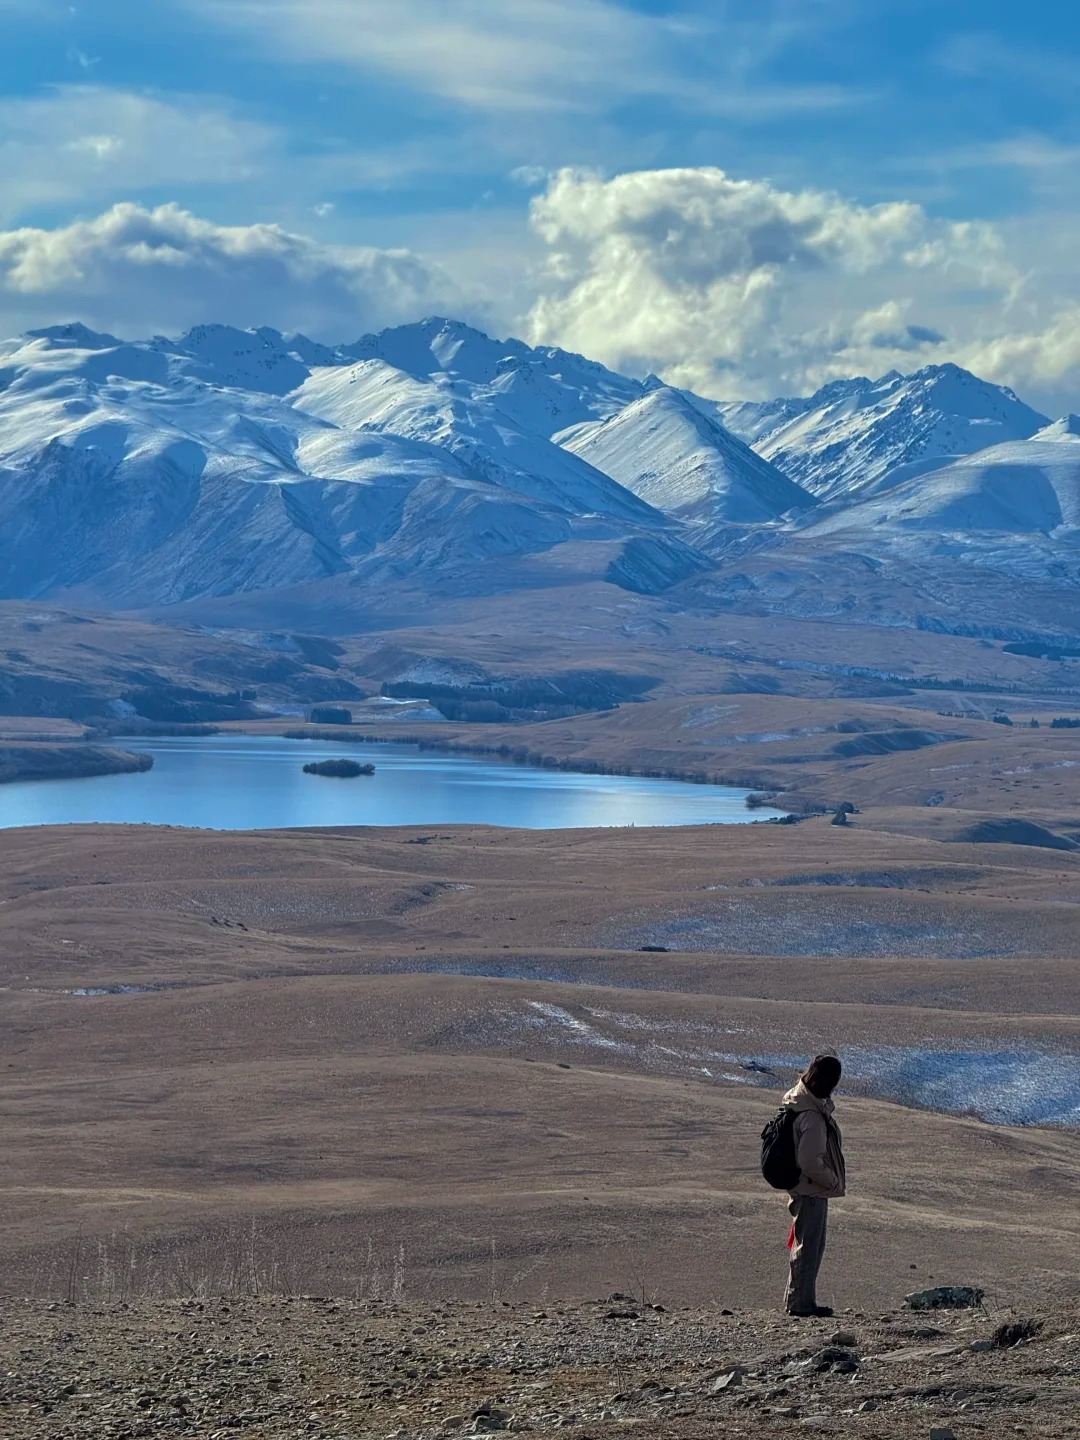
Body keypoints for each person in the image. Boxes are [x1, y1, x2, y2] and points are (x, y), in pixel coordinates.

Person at [780, 1054, 846, 1317]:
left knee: (806, 1245)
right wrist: (831, 1181)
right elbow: (810, 1161)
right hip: (811, 1189)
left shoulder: (799, 1101)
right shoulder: (812, 1115)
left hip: (805, 1187)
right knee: (809, 1248)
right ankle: (801, 1304)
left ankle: (799, 1300)